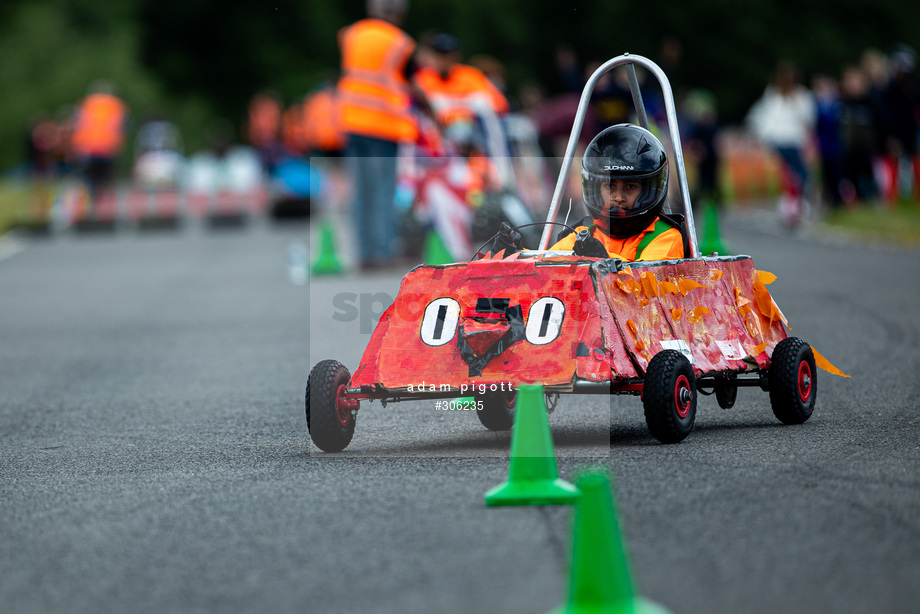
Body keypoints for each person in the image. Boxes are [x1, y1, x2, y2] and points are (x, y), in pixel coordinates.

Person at [336, 0, 437, 270]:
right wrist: (433, 113)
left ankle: (364, 254)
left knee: (360, 191)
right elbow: (413, 82)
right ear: (398, 13)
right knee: (382, 191)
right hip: (381, 125)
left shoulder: (351, 34)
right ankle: (382, 252)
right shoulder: (399, 42)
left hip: (351, 121)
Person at [491, 124, 684, 262]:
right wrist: (513, 256)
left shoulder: (666, 236)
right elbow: (545, 265)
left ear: (650, 189)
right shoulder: (586, 235)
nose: (618, 197)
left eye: (630, 187)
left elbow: (647, 287)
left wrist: (603, 261)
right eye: (609, 187)